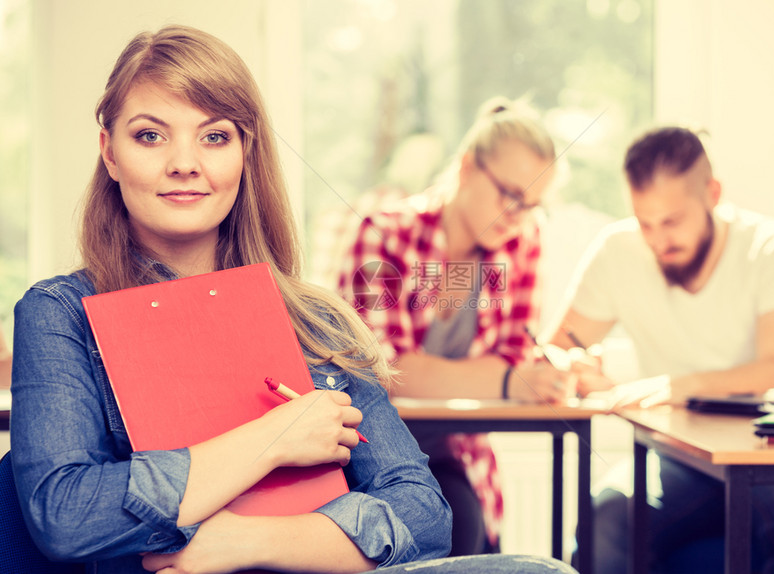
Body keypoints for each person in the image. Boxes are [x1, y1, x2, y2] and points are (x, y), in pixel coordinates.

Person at [8, 25, 458, 574]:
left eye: (214, 136)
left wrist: (245, 542)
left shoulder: (314, 321)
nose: (184, 163)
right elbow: (67, 516)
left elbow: (426, 517)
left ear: (245, 152)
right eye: (150, 135)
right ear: (109, 152)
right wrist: (274, 438)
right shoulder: (60, 312)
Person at [551, 127, 774, 573]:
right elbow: (555, 347)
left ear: (712, 193)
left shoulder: (771, 246)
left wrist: (680, 386)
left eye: (671, 221)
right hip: (677, 458)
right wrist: (572, 366)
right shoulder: (617, 250)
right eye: (644, 222)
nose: (657, 240)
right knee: (606, 519)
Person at [337, 97, 573, 556]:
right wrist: (507, 380)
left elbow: (516, 356)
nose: (518, 216)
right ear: (467, 167)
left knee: (466, 529)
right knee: (439, 532)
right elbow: (382, 374)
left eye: (532, 206)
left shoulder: (522, 243)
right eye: (510, 195)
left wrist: (521, 374)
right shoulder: (382, 234)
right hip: (374, 450)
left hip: (457, 454)